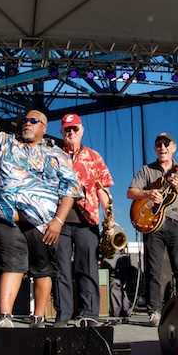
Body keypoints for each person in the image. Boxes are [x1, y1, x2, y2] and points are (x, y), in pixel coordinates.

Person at [0, 77, 81, 328]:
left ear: (44, 128)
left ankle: (38, 317)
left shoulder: (56, 154)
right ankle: (5, 318)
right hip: (9, 219)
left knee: (43, 269)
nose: (27, 123)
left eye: (33, 121)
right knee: (12, 265)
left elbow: (70, 190)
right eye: (25, 120)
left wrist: (58, 221)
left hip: (43, 224)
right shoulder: (7, 143)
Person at [127, 132, 178, 326]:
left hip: (175, 223)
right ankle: (154, 311)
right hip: (153, 225)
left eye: (166, 144)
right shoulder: (147, 170)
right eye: (158, 144)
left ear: (173, 147)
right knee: (153, 270)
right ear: (155, 148)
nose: (162, 148)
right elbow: (130, 192)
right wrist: (149, 194)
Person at [53, 113, 113, 327]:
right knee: (61, 269)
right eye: (67, 129)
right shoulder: (52, 155)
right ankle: (63, 315)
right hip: (59, 220)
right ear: (61, 131)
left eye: (74, 129)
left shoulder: (94, 157)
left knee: (87, 268)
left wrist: (109, 220)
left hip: (87, 221)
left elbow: (102, 189)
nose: (71, 132)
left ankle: (88, 314)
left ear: (82, 130)